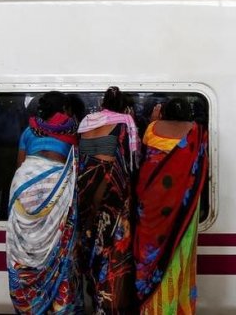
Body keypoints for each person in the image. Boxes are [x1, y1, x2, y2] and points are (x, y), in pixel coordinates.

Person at [6, 91, 83, 314]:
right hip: (57, 185)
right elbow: (76, 161)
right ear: (64, 110)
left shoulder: (29, 131)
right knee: (59, 241)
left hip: (24, 183)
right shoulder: (71, 129)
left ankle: (29, 304)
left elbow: (20, 164)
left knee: (25, 240)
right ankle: (57, 304)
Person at [134, 98, 208, 314]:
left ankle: (152, 307)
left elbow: (143, 155)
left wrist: (154, 120)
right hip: (183, 208)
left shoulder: (152, 128)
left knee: (150, 253)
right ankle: (175, 306)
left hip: (152, 205)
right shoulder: (197, 132)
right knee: (179, 251)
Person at [77, 86, 140, 314]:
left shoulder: (86, 122)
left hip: (84, 187)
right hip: (109, 189)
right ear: (124, 106)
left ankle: (93, 297)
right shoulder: (124, 122)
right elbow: (130, 160)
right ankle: (108, 303)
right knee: (111, 249)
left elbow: (82, 157)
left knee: (89, 241)